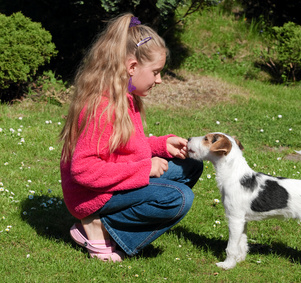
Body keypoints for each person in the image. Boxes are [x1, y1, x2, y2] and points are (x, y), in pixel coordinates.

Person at [59, 13, 203, 262]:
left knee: (190, 166)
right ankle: (99, 228)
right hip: (92, 196)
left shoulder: (126, 97)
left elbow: (123, 147)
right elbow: (83, 170)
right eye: (156, 72)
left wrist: (161, 145)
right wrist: (145, 169)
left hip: (111, 181)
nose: (159, 80)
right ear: (132, 67)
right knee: (179, 198)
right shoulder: (102, 108)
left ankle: (115, 223)